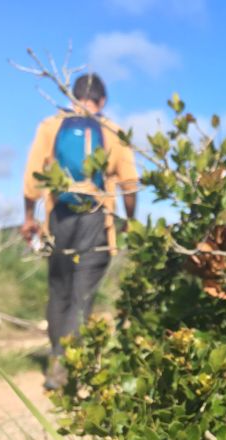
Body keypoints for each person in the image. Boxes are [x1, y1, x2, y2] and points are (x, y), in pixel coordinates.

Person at [21, 73, 138, 390]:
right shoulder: (111, 129)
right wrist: (131, 218)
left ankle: (58, 358)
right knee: (81, 295)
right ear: (101, 101)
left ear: (74, 96)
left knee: (58, 290)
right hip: (95, 219)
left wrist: (29, 217)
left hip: (59, 217)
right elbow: (129, 182)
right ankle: (63, 366)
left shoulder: (51, 126)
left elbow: (32, 178)